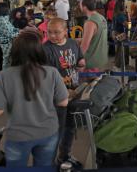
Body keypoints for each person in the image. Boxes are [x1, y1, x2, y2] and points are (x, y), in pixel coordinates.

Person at [0, 31, 68, 167]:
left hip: (18, 134)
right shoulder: (52, 72)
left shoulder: (4, 76)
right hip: (48, 132)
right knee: (44, 167)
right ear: (39, 50)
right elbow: (63, 102)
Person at [43, 18, 85, 167]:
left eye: (56, 32)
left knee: (70, 127)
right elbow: (45, 76)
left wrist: (81, 64)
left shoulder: (73, 43)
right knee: (56, 130)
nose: (52, 35)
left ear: (65, 31)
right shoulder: (45, 49)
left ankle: (64, 156)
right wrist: (62, 90)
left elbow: (80, 60)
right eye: (49, 32)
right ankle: (50, 162)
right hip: (56, 97)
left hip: (74, 92)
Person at [79, 0, 108, 71]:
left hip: (91, 62)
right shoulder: (102, 18)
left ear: (84, 7)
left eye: (80, 5)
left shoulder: (90, 22)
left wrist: (77, 60)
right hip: (101, 59)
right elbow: (96, 36)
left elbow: (84, 45)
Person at [0, 3, 20, 69]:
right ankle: (5, 76)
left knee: (8, 61)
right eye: (7, 8)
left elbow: (12, 28)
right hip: (6, 44)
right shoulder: (1, 20)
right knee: (7, 61)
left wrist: (19, 30)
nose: (9, 10)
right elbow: (10, 34)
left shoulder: (3, 18)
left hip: (8, 43)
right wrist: (20, 33)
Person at [112, 0, 129, 70]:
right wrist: (128, 17)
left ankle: (119, 63)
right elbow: (127, 25)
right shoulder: (120, 15)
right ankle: (119, 64)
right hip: (121, 34)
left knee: (119, 48)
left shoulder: (116, 13)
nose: (125, 6)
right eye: (124, 4)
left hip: (116, 32)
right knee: (122, 49)